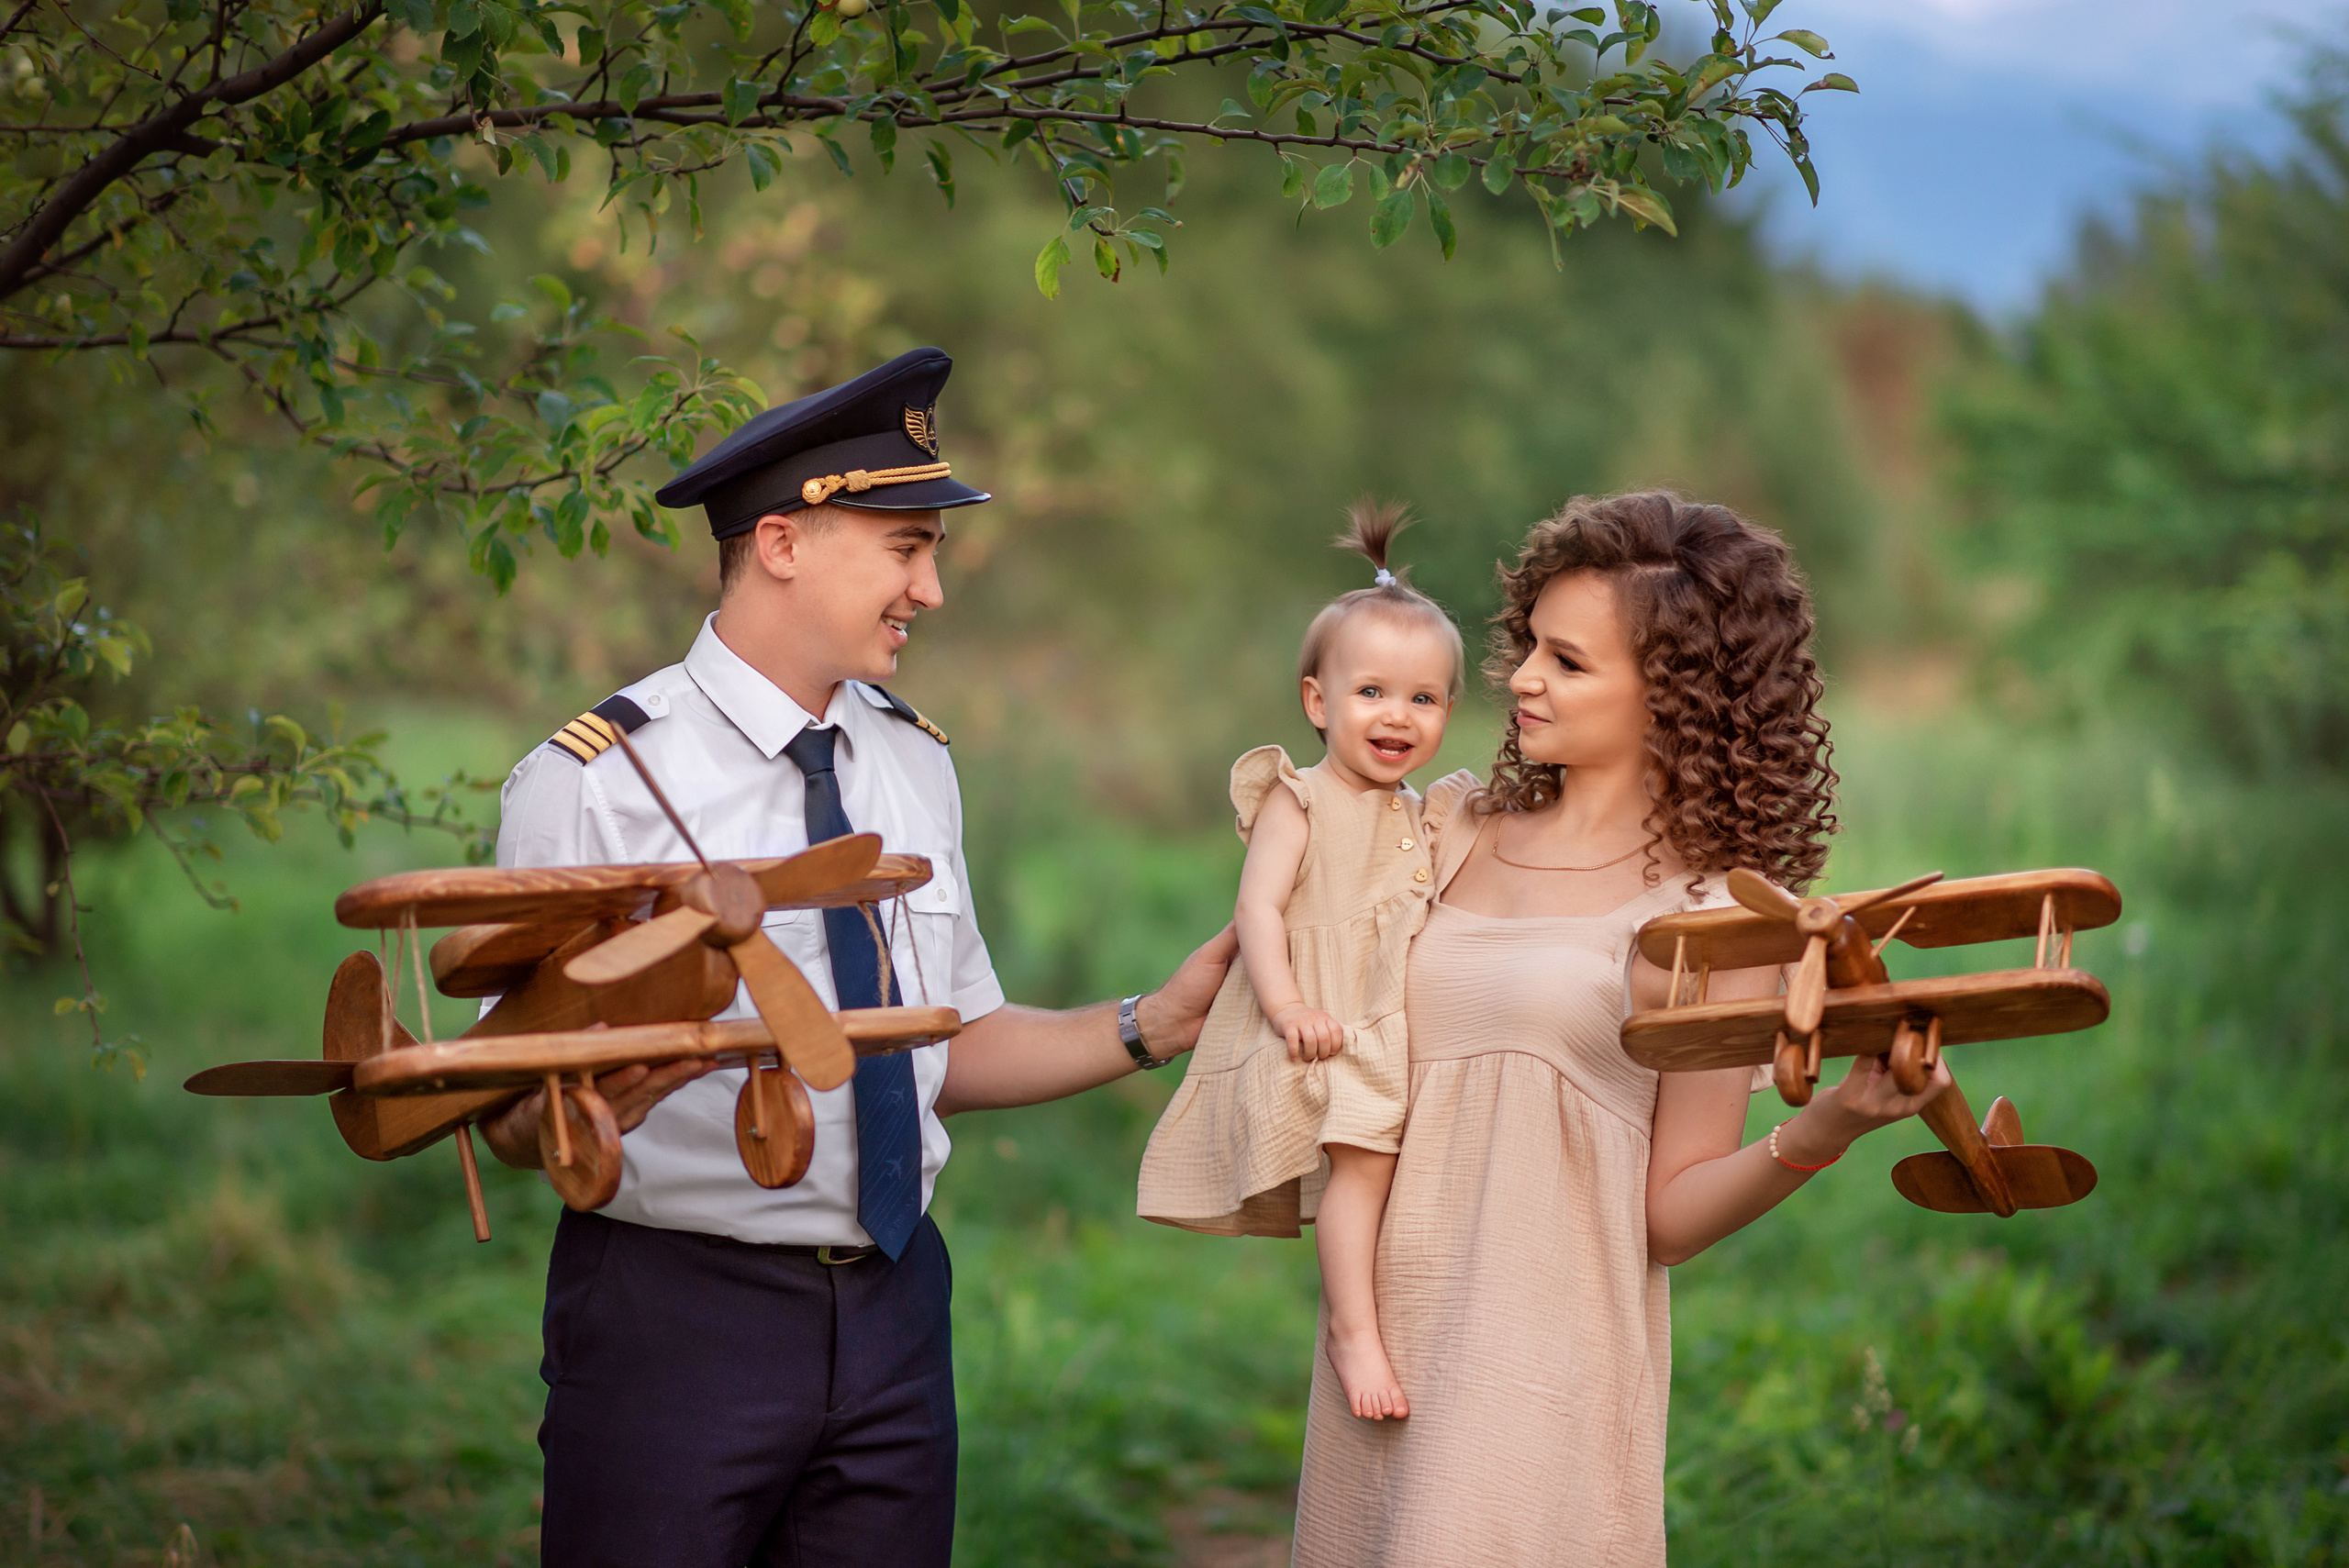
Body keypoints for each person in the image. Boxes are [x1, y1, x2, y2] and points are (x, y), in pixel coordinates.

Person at [473, 347, 1236, 1568]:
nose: (929, 591)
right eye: (907, 549)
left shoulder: (911, 759)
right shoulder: (598, 783)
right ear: (783, 543)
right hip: (677, 1317)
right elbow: (507, 1106)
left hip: (893, 1312)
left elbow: (943, 1040)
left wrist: (1157, 1021)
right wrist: (569, 1112)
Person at [1289, 491, 1952, 1567]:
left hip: (1539, 1373)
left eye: (1567, 660)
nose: (1521, 679)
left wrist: (1828, 1124)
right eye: (1528, 646)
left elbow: (1670, 1218)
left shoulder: (1718, 921)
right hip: (1379, 1343)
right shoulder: (1451, 826)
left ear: (1678, 696)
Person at [1137, 503, 1464, 1422]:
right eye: (1370, 692)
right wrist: (1286, 1009)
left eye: (1423, 697)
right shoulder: (1300, 797)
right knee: (1361, 1161)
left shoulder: (1423, 811)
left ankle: (1403, 1310)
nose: (1395, 715)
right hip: (1324, 1021)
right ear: (1318, 701)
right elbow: (1257, 909)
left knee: (1402, 1170)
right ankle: (1351, 1326)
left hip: (1395, 1021)